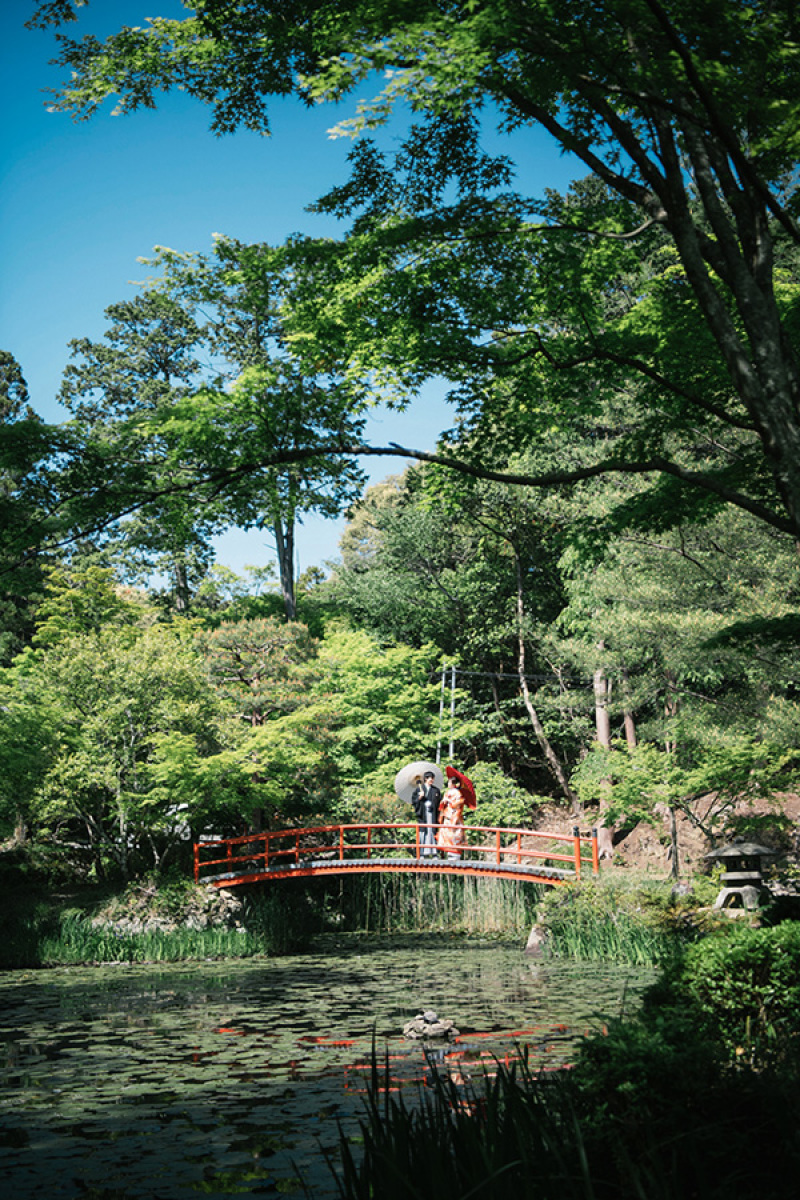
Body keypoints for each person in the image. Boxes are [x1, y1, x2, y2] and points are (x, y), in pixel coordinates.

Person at [411, 770, 441, 857]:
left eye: (432, 778)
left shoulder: (436, 790)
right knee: (423, 833)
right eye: (430, 778)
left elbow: (439, 803)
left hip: (433, 815)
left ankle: (435, 854)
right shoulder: (419, 789)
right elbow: (414, 802)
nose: (432, 780)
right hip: (423, 815)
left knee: (433, 831)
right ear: (425, 779)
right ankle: (422, 854)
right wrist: (419, 798)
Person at [437, 779, 466, 860]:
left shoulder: (458, 793)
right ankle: (448, 852)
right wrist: (444, 802)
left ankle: (455, 853)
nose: (448, 784)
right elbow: (442, 804)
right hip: (447, 815)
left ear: (454, 784)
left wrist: (450, 801)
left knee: (455, 834)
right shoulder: (447, 792)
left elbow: (459, 804)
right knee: (446, 834)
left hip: (454, 817)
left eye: (449, 783)